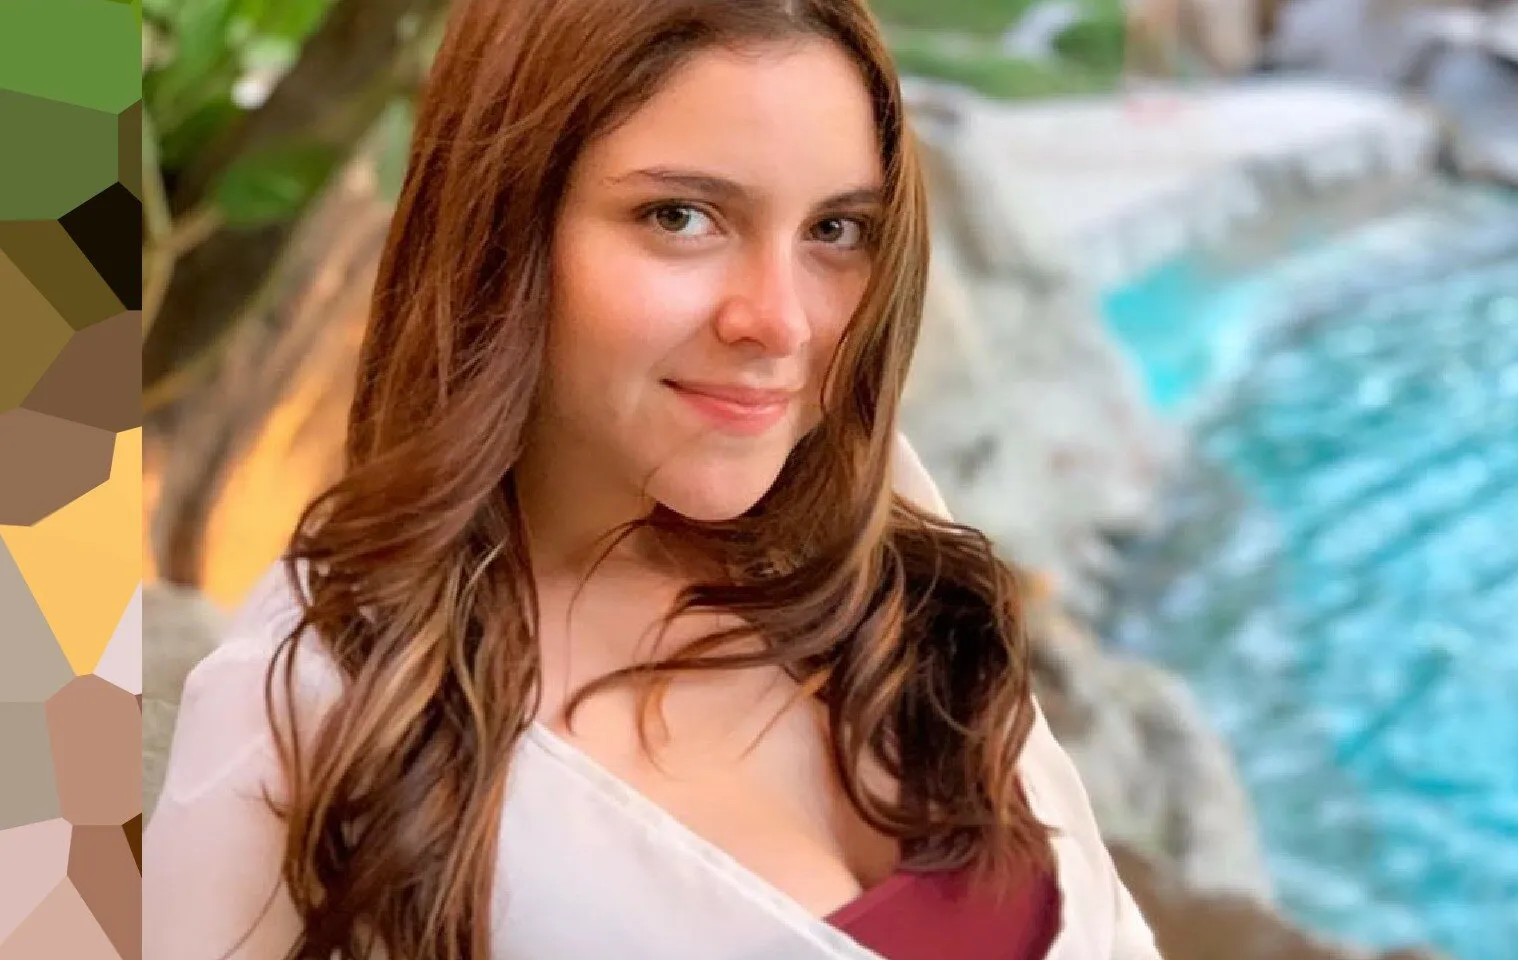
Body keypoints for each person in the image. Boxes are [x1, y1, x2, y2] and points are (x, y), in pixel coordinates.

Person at [143, 1, 1162, 958]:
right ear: (500, 228)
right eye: (681, 217)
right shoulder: (321, 697)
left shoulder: (893, 565)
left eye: (835, 230)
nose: (781, 322)